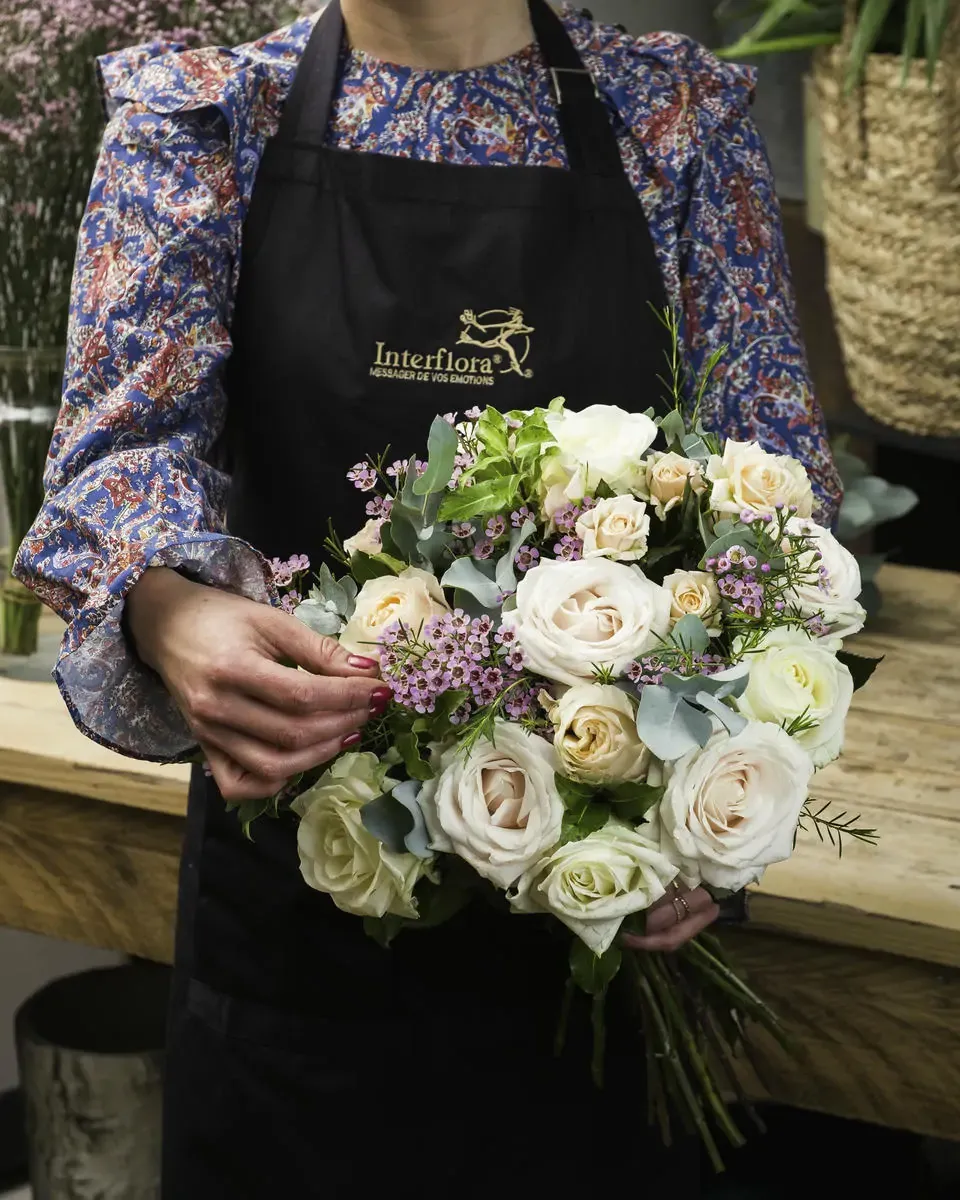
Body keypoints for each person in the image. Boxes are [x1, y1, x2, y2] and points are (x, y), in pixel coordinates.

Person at [15, 1, 841, 1194]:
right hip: (300, 942)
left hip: (606, 943)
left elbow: (777, 511)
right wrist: (169, 606)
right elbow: (118, 457)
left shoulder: (672, 119)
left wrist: (716, 804)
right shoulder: (204, 121)